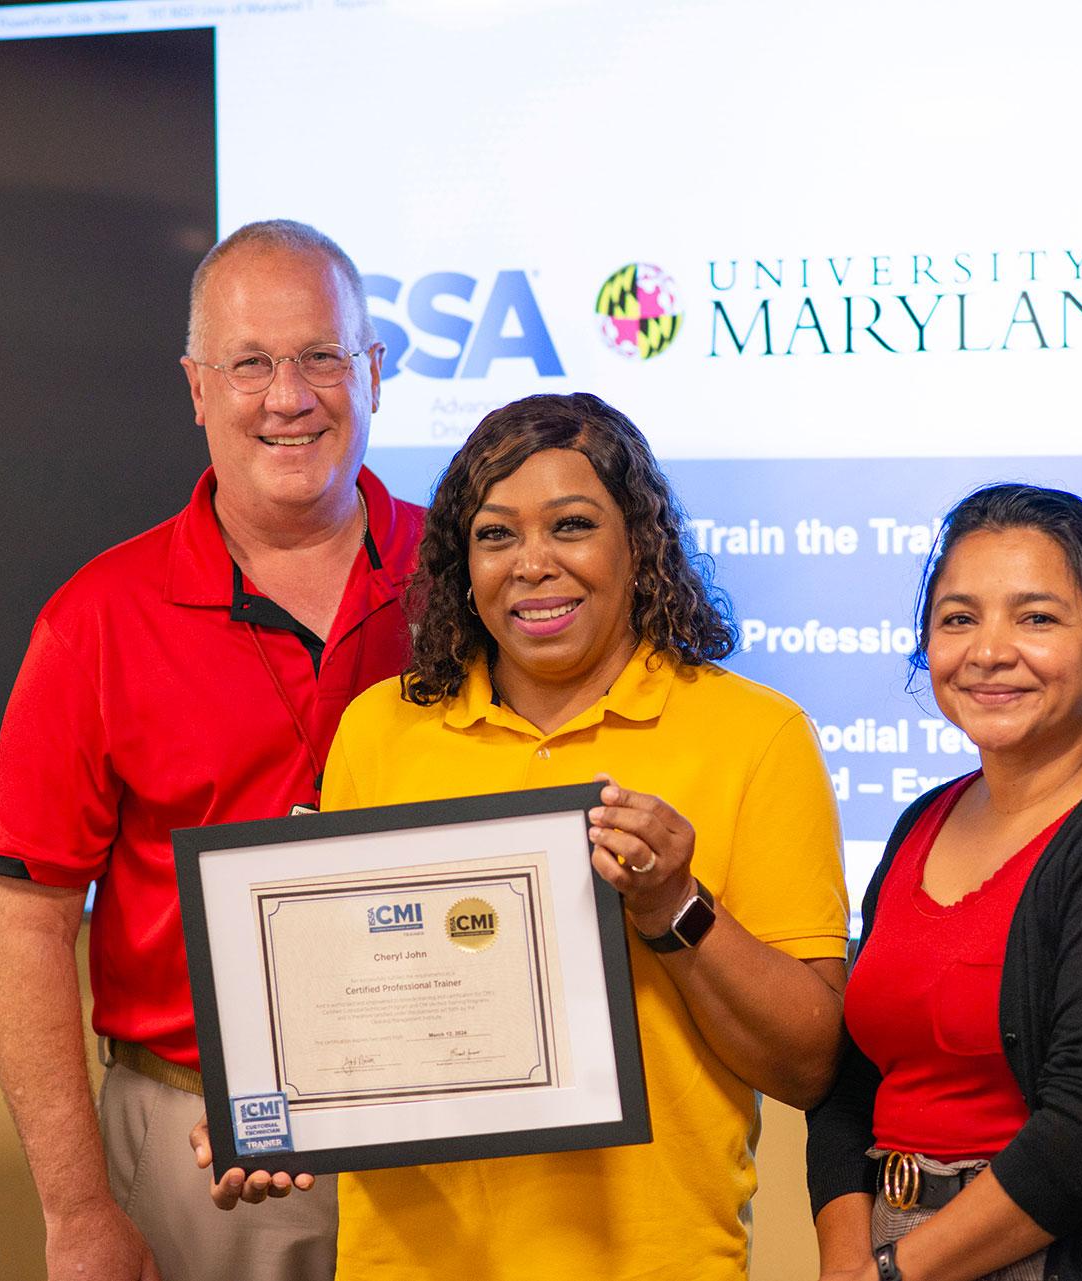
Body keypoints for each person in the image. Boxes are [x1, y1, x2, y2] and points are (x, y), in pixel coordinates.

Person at [192, 391, 852, 1279]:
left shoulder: (755, 736)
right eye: (496, 535)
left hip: (659, 1261)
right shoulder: (379, 732)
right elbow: (338, 1007)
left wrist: (674, 905)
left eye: (572, 525)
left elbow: (810, 1064)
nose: (533, 564)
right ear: (463, 564)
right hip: (407, 1263)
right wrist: (271, 1110)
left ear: (637, 543)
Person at [0, 219, 423, 1281]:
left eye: (322, 356)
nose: (288, 396)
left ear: (374, 370)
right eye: (250, 363)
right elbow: (24, 922)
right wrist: (77, 1212)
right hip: (194, 1148)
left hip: (448, 1123)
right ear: (195, 388)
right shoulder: (96, 621)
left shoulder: (471, 578)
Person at [805, 484, 1082, 1281]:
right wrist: (850, 1261)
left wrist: (896, 1274)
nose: (988, 650)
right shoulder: (921, 822)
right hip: (888, 1247)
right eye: (958, 617)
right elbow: (850, 1083)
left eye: (1037, 617)